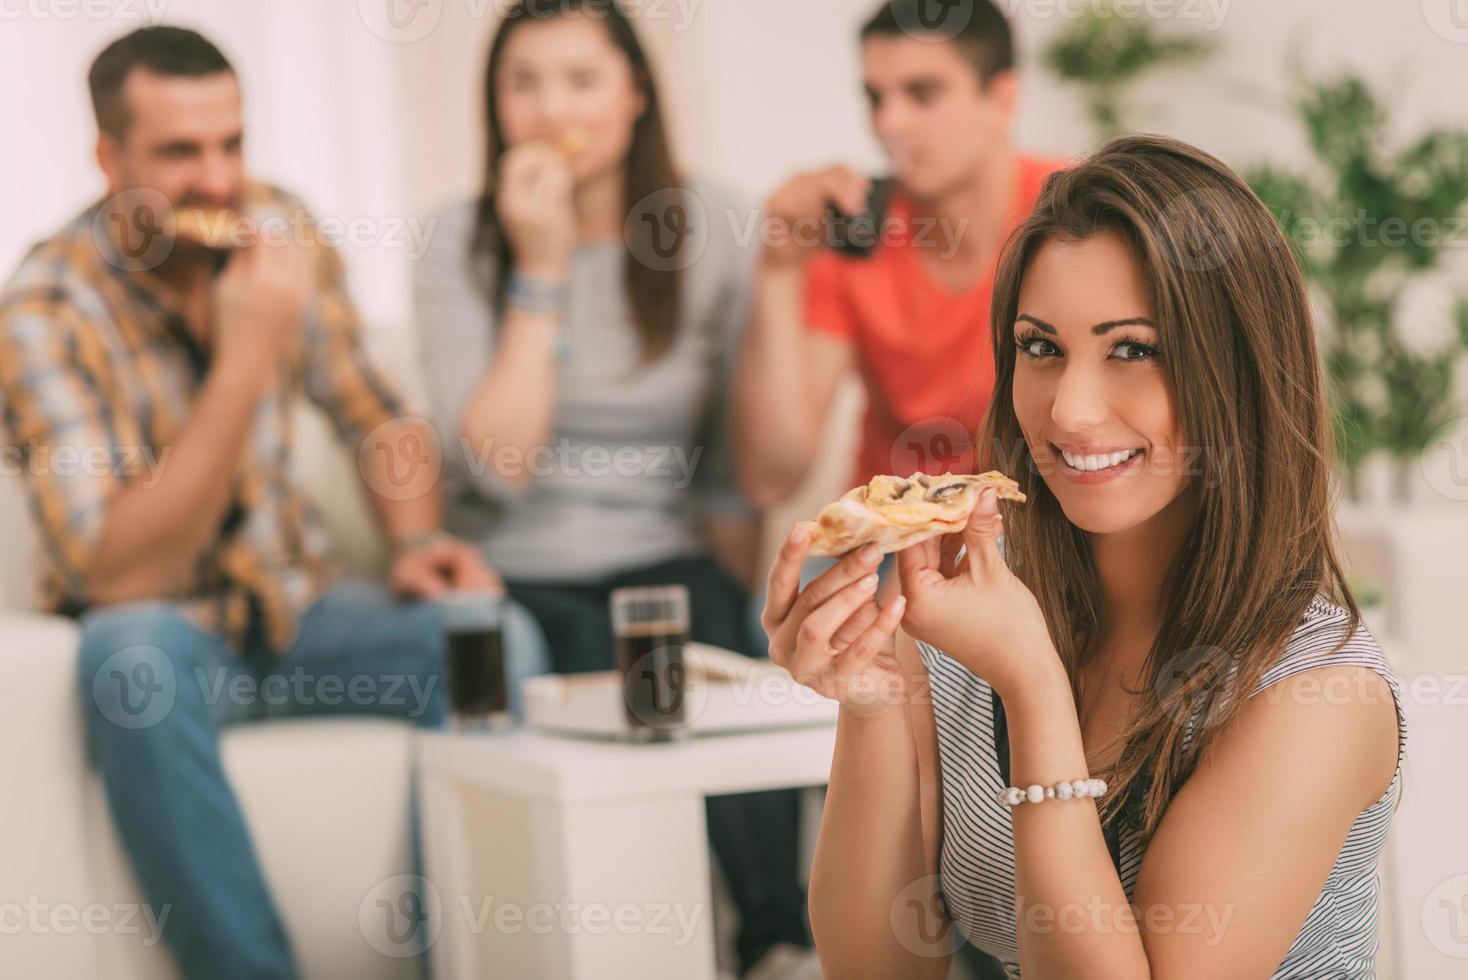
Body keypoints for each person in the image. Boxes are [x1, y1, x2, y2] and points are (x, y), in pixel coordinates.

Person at [762, 135, 1405, 978]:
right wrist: (875, 698)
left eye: (1133, 350)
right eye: (1041, 347)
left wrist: (1032, 689)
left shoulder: (1317, 694)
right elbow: (878, 968)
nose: (1069, 409)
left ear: (1237, 372)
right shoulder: (971, 618)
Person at [0, 27, 545, 980]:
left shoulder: (276, 228)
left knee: (490, 637)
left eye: (231, 144)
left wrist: (414, 540)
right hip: (172, 642)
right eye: (179, 153)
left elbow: (375, 413)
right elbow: (120, 571)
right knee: (126, 655)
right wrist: (247, 357)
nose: (217, 179)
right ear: (108, 158)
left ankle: (447, 964)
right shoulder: (45, 306)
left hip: (306, 614)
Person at [410, 2, 814, 977]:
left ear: (634, 95)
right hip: (517, 564)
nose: (552, 106)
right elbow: (498, 465)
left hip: (663, 556)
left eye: (580, 79)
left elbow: (746, 469)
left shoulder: (713, 228)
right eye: (524, 81)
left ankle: (779, 942)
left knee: (721, 643)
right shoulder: (454, 240)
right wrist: (539, 268)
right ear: (494, 103)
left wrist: (746, 602)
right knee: (610, 659)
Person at [736, 0, 1064, 510]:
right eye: (875, 98)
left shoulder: (1073, 216)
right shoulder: (855, 234)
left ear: (1001, 99)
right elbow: (771, 479)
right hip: (894, 536)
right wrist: (779, 271)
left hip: (1038, 533)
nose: (889, 124)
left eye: (922, 93)